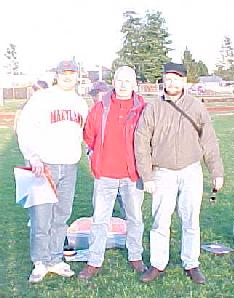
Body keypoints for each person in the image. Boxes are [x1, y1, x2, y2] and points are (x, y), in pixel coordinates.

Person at [134, 62, 224, 284]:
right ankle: (157, 264)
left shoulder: (196, 106)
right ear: (163, 80)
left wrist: (216, 171)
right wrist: (146, 175)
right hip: (162, 172)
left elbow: (209, 141)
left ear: (184, 81)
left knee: (191, 219)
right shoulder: (153, 108)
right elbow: (141, 141)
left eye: (176, 78)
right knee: (160, 221)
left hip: (191, 170)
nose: (172, 82)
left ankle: (191, 263)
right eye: (168, 78)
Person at [17, 60, 88, 283]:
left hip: (69, 165)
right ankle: (40, 261)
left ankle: (56, 259)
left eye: (72, 73)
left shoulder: (79, 102)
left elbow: (83, 134)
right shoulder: (42, 98)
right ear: (56, 75)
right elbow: (25, 127)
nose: (68, 77)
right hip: (44, 165)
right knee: (41, 216)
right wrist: (33, 156)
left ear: (78, 76)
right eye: (63, 73)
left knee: (61, 216)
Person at [78, 66, 146, 279]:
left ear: (134, 84)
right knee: (100, 219)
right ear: (113, 82)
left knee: (135, 217)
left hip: (132, 174)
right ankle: (94, 260)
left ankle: (135, 256)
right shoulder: (100, 107)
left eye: (128, 81)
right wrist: (96, 157)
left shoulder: (143, 108)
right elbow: (89, 135)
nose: (123, 85)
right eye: (119, 80)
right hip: (105, 174)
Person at [88, 81, 126, 219]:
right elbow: (90, 136)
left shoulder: (117, 109)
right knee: (100, 204)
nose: (97, 98)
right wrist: (91, 153)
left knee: (125, 201)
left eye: (100, 94)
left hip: (122, 164)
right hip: (102, 165)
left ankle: (124, 228)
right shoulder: (94, 111)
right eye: (94, 95)